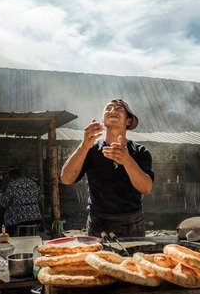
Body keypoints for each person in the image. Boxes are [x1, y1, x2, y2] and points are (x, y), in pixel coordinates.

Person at [60, 99, 154, 237]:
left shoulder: (140, 151)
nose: (113, 110)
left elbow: (146, 188)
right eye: (109, 108)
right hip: (98, 224)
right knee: (98, 259)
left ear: (128, 121)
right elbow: (66, 178)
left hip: (132, 223)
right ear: (103, 120)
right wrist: (84, 145)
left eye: (119, 108)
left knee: (134, 258)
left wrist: (127, 161)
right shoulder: (90, 149)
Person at [1, 168, 43, 236]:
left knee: (6, 215)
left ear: (11, 178)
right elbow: (41, 198)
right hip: (35, 217)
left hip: (19, 218)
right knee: (22, 215)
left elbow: (3, 203)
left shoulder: (12, 185)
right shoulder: (32, 183)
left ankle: (8, 236)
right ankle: (22, 234)